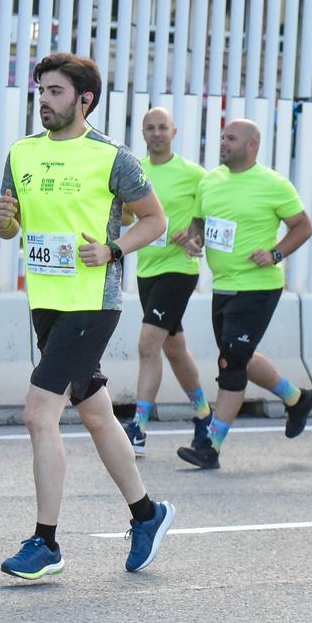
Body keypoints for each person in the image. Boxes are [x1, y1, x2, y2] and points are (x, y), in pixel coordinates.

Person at [0, 55, 172, 580]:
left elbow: (155, 220)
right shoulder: (21, 153)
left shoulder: (113, 156)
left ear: (83, 99)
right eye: (41, 92)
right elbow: (10, 227)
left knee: (38, 413)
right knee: (94, 412)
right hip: (45, 300)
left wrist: (114, 250)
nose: (44, 100)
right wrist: (5, 222)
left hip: (93, 302)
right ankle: (147, 513)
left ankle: (46, 542)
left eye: (54, 91)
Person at [174, 120, 312, 469]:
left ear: (252, 145)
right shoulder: (209, 181)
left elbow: (303, 227)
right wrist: (195, 240)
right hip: (222, 284)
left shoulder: (273, 184)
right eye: (222, 136)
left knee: (231, 363)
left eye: (231, 138)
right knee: (239, 354)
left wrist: (276, 254)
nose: (223, 142)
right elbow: (200, 223)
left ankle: (211, 446)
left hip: (258, 286)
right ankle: (297, 399)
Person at [122, 107, 211, 457]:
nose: (156, 133)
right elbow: (128, 212)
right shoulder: (136, 171)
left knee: (148, 344)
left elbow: (206, 217)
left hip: (179, 270)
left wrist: (193, 235)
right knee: (174, 347)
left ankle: (139, 428)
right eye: (150, 128)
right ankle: (204, 414)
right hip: (147, 268)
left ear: (174, 132)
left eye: (163, 127)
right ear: (143, 133)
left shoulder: (193, 174)